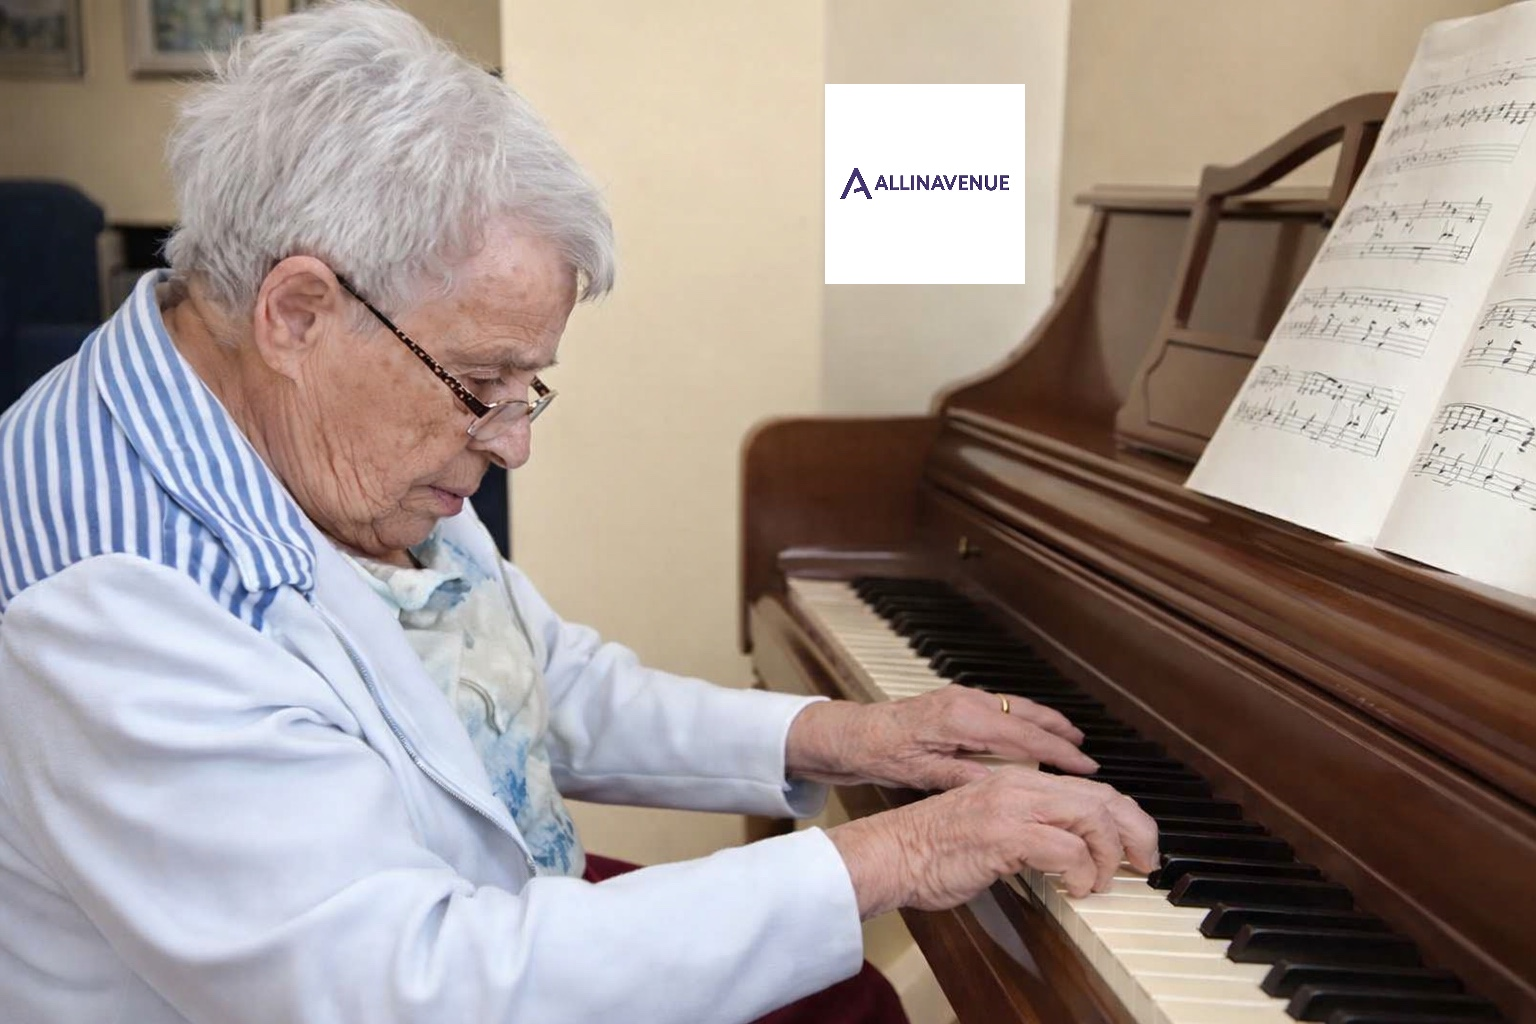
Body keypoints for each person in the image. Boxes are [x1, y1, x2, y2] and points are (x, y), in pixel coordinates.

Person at [0, 4, 1158, 1023]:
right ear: (298, 312)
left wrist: (846, 737)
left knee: (837, 990)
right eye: (483, 385)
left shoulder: (302, 424)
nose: (513, 440)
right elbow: (411, 987)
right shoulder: (111, 594)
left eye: (526, 387)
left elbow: (535, 676)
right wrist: (900, 847)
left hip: (449, 918)